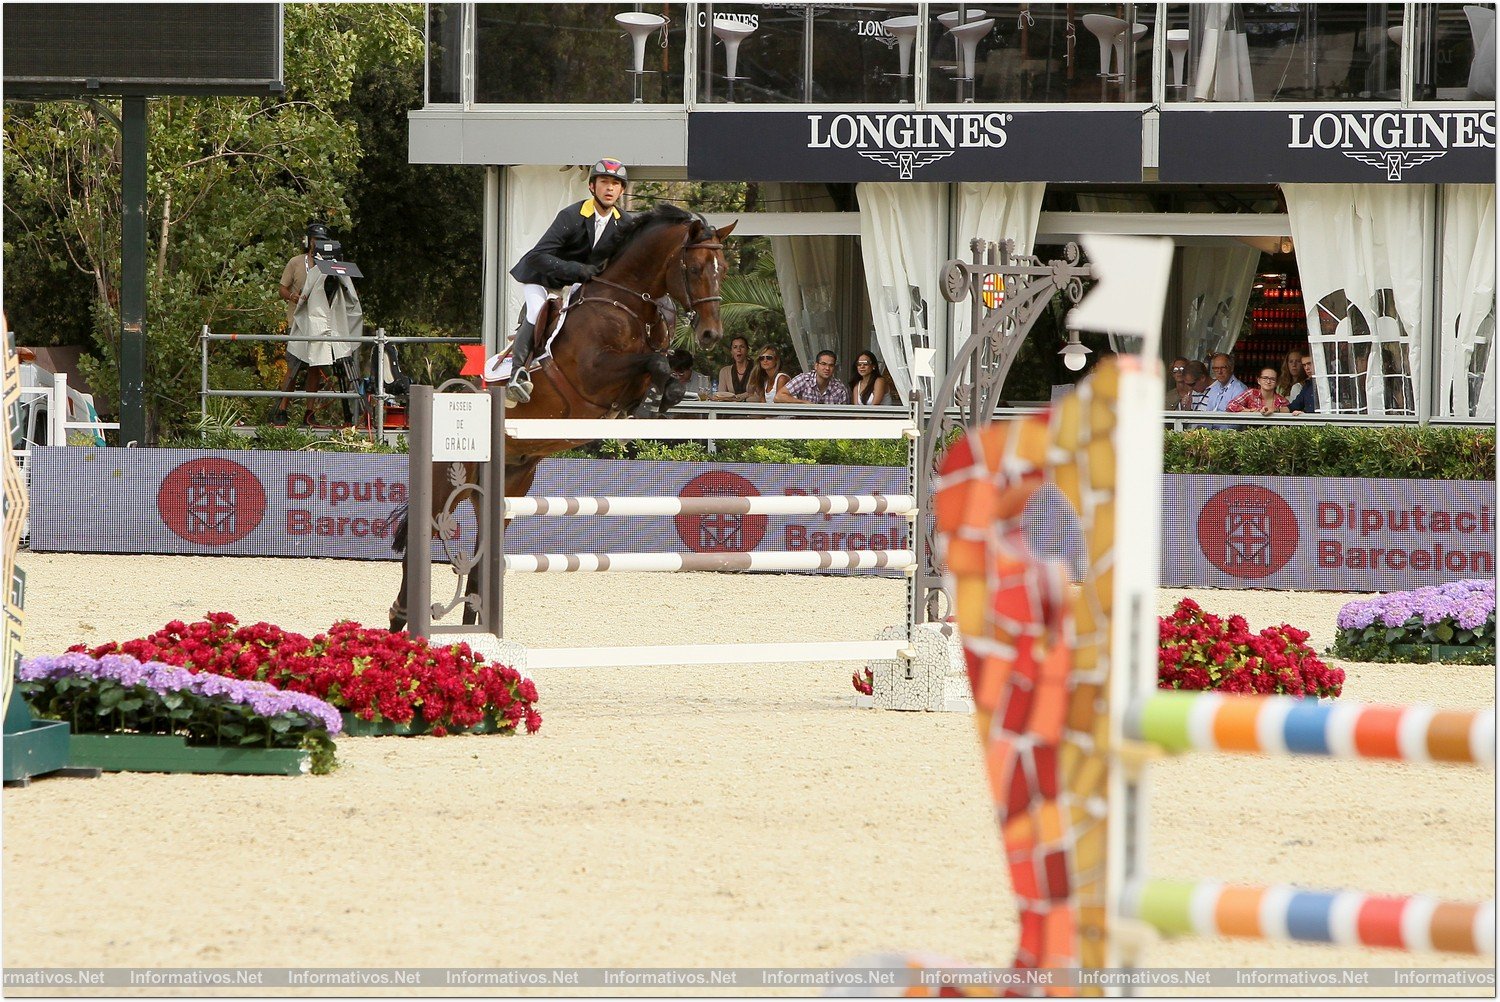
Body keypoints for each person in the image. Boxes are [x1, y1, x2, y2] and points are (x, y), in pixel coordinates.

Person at [503, 157, 632, 406]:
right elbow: (537, 256)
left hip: (578, 286)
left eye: (615, 184)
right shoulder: (572, 215)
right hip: (544, 280)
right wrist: (576, 269)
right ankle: (517, 374)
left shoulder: (625, 224)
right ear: (592, 187)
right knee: (536, 311)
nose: (609, 188)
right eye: (604, 182)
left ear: (622, 190)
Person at [271, 220, 357, 426]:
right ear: (308, 240)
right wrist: (293, 297)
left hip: (321, 324)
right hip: (298, 323)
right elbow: (282, 288)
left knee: (314, 368)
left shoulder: (331, 265)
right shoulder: (296, 262)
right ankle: (282, 409)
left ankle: (309, 413)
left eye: (321, 240)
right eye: (315, 239)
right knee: (293, 366)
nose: (317, 243)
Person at [781, 349, 851, 404]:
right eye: (823, 364)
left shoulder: (840, 389)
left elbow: (844, 418)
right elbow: (779, 396)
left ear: (834, 368)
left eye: (831, 365)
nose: (827, 368)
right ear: (816, 366)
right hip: (804, 421)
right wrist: (803, 402)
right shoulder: (804, 379)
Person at [713, 335, 753, 401]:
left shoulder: (756, 370)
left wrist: (734, 398)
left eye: (742, 347)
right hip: (729, 410)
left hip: (752, 409)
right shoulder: (725, 371)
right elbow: (721, 396)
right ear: (731, 352)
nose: (738, 350)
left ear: (747, 350)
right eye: (735, 347)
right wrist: (746, 395)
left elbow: (757, 393)